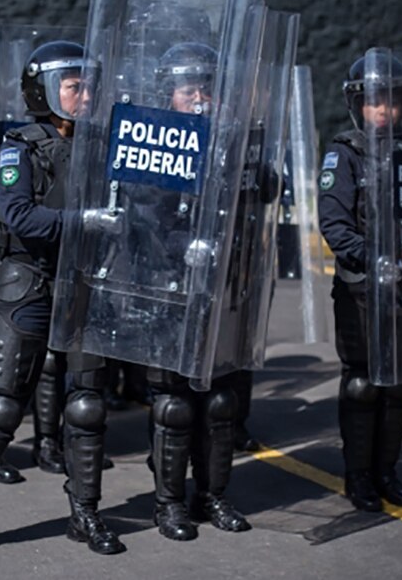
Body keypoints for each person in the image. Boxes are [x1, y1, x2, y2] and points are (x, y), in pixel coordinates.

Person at [0, 41, 124, 567]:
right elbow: (20, 217)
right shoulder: (18, 148)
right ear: (43, 93)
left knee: (87, 406)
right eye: (73, 86)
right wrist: (83, 222)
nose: (85, 95)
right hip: (30, 283)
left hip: (86, 283)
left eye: (89, 84)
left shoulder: (105, 145)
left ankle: (84, 512)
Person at [138, 43, 251, 541]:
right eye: (189, 90)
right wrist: (187, 243)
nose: (200, 97)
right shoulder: (152, 143)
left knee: (221, 400)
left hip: (220, 288)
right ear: (170, 95)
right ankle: (169, 504)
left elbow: (256, 197)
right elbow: (142, 216)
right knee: (174, 402)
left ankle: (214, 495)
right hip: (169, 285)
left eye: (206, 87)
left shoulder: (233, 140)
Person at [317, 53, 402, 512]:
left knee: (397, 381)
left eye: (392, 102)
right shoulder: (344, 154)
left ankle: (388, 471)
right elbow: (334, 225)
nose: (383, 111)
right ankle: (358, 476)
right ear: (358, 105)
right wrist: (373, 257)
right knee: (362, 382)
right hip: (361, 287)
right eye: (373, 103)